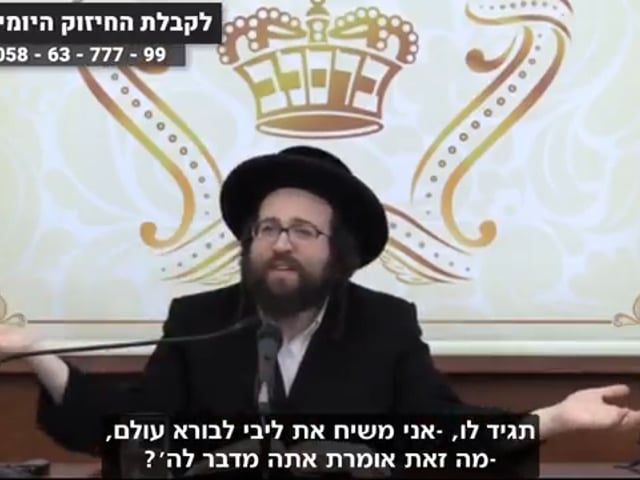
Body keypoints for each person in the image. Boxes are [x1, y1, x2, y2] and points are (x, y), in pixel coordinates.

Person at [1, 146, 639, 474]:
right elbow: (133, 428)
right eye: (268, 227)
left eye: (304, 230)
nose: (281, 242)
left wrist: (556, 418)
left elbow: (442, 432)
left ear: (338, 252)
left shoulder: (385, 324)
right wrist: (39, 354)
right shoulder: (199, 320)